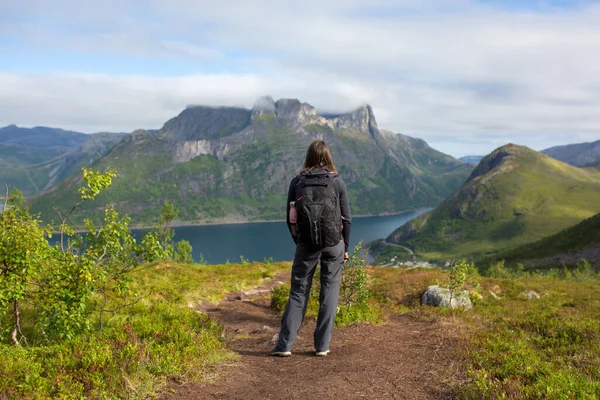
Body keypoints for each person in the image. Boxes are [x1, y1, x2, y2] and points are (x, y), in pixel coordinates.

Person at [271, 139, 351, 357]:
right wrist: (345, 248)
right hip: (334, 244)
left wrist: (299, 242)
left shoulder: (297, 182)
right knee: (329, 290)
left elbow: (291, 219)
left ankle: (284, 346)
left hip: (306, 244)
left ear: (308, 157)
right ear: (328, 157)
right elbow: (347, 219)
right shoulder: (337, 182)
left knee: (298, 291)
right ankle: (322, 346)